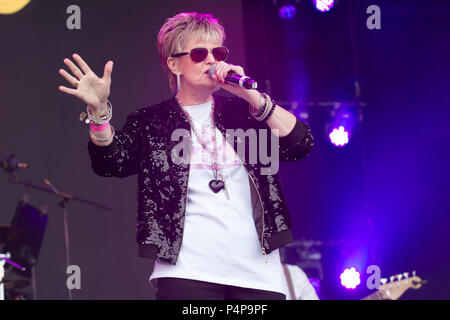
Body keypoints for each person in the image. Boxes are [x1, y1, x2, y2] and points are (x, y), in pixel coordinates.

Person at [58, 11, 314, 300]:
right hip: (188, 273)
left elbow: (301, 144)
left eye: (218, 52)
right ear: (174, 63)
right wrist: (99, 113)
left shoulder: (246, 114)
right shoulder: (151, 122)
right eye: (199, 53)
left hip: (259, 274)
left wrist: (253, 98)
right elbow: (110, 163)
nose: (211, 60)